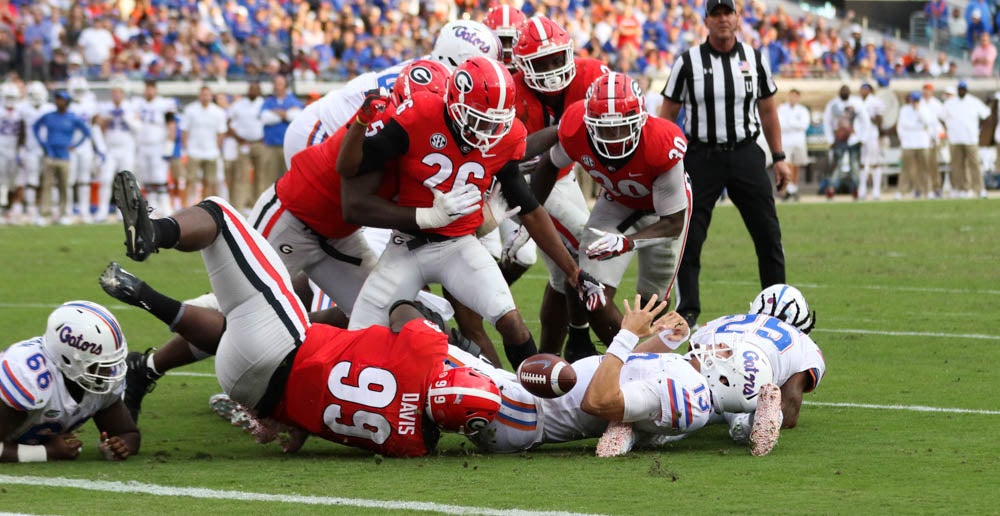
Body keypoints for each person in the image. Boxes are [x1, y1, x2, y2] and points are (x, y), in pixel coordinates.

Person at [103, 170, 502, 457]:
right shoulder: (413, 444)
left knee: (219, 214)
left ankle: (154, 241)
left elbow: (398, 310)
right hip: (258, 393)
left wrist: (433, 327)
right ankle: (145, 323)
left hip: (282, 350)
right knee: (265, 305)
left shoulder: (428, 352)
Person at [338, 56, 607, 369]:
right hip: (405, 247)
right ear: (453, 104)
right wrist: (359, 124)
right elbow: (353, 168)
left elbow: (531, 208)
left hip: (459, 245)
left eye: (497, 122)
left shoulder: (505, 138)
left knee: (511, 321)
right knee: (361, 335)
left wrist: (573, 273)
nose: (488, 132)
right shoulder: (420, 114)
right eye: (480, 120)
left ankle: (532, 401)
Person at [532, 72, 690, 351]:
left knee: (653, 304)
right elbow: (548, 164)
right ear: (589, 123)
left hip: (662, 212)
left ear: (640, 119)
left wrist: (628, 242)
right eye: (604, 128)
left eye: (621, 127)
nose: (614, 137)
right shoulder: (576, 127)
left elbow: (673, 223)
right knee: (592, 289)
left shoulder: (661, 143)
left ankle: (655, 366)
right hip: (616, 201)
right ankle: (628, 364)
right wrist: (528, 212)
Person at [658, 0, 792, 330]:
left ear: (737, 17)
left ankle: (776, 309)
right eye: (716, 14)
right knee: (689, 236)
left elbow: (769, 110)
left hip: (746, 152)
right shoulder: (688, 62)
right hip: (701, 155)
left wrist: (779, 157)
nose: (722, 20)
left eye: (727, 13)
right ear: (706, 20)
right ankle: (687, 308)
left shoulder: (754, 59)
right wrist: (663, 164)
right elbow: (667, 115)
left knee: (768, 234)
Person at [508, 15, 612, 359]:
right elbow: (519, 150)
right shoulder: (511, 89)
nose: (552, 69)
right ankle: (595, 343)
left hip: (562, 175)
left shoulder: (592, 75)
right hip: (517, 180)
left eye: (556, 59)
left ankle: (562, 349)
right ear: (523, 65)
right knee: (585, 242)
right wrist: (567, 124)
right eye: (541, 63)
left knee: (561, 270)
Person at [0, 300, 139, 462]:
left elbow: (129, 434)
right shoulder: (29, 377)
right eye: (100, 364)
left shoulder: (99, 379)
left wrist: (120, 446)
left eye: (110, 363)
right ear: (69, 358)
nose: (109, 372)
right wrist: (47, 452)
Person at [692, 283, 824, 447]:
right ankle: (745, 423)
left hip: (710, 369)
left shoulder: (721, 321)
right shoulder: (804, 343)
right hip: (751, 375)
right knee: (751, 403)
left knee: (692, 406)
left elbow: (694, 350)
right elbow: (791, 404)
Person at [32, 90, 91, 225]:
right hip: (50, 155)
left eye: (62, 99)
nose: (59, 102)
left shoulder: (72, 118)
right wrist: (42, 143)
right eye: (58, 99)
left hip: (64, 156)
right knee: (47, 185)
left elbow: (86, 132)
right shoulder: (49, 116)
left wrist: (75, 145)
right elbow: (35, 127)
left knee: (64, 186)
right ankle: (44, 214)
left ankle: (64, 212)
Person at [97, 78, 139, 223]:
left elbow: (137, 127)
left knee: (125, 181)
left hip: (126, 147)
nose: (116, 95)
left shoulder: (130, 107)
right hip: (110, 148)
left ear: (123, 93)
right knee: (106, 179)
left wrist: (125, 117)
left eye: (118, 92)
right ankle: (102, 210)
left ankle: (124, 211)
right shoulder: (105, 107)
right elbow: (99, 127)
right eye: (114, 92)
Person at [132, 79, 177, 215]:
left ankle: (166, 207)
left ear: (156, 90)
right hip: (143, 145)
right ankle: (152, 208)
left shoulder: (164, 104)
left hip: (158, 145)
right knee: (147, 178)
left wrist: (170, 143)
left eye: (151, 88)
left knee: (160, 178)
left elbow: (171, 124)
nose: (149, 91)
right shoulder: (139, 104)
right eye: (147, 88)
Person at [179, 85, 228, 207]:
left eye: (208, 95)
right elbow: (185, 130)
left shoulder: (218, 112)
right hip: (194, 150)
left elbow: (221, 132)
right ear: (199, 96)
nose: (205, 97)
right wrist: (185, 148)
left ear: (211, 97)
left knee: (209, 181)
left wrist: (216, 147)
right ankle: (186, 206)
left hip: (211, 151)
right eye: (203, 95)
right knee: (190, 180)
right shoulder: (190, 110)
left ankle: (205, 207)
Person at [942, 80, 991, 198]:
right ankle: (959, 189)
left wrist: (979, 128)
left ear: (966, 90)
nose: (961, 91)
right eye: (960, 89)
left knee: (974, 164)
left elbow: (986, 113)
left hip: (971, 139)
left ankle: (979, 189)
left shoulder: (973, 102)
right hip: (955, 139)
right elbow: (942, 117)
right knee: (957, 166)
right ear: (957, 90)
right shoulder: (950, 103)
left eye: (963, 89)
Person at [258, 75, 302, 198]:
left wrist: (279, 113)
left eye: (280, 84)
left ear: (285, 86)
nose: (277, 86)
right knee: (269, 175)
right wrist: (286, 114)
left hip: (287, 145)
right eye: (275, 84)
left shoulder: (293, 100)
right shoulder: (268, 101)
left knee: (287, 176)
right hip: (270, 145)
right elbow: (265, 118)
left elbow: (297, 117)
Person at [821, 85, 867, 197]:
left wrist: (862, 138)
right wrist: (830, 139)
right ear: (839, 92)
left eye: (846, 90)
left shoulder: (857, 103)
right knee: (836, 166)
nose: (844, 92)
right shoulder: (833, 104)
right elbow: (827, 121)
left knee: (855, 166)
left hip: (854, 140)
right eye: (843, 90)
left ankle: (856, 189)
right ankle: (832, 189)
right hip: (839, 140)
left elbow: (865, 120)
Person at [16, 82, 52, 224]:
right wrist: (20, 149)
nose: (36, 98)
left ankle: (48, 208)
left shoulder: (50, 108)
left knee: (49, 180)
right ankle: (31, 209)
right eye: (33, 95)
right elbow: (21, 130)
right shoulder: (23, 109)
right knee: (31, 180)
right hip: (31, 148)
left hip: (47, 148)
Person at [227, 81, 266, 211]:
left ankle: (257, 206)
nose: (253, 91)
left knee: (261, 175)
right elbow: (228, 121)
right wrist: (237, 136)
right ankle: (238, 206)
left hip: (260, 143)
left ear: (259, 91)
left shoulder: (264, 104)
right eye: (251, 89)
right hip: (242, 143)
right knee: (241, 175)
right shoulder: (239, 105)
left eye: (255, 89)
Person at [895, 92, 936, 199]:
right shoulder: (904, 110)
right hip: (908, 143)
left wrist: (919, 112)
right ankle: (902, 191)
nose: (915, 103)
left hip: (922, 143)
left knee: (925, 168)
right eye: (914, 100)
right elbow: (903, 125)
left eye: (917, 101)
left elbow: (928, 122)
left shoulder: (924, 109)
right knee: (906, 168)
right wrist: (903, 138)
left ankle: (928, 190)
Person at [776, 89, 810, 200]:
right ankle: (785, 189)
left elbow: (804, 125)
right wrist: (795, 124)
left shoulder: (802, 110)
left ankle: (793, 188)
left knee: (796, 165)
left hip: (799, 141)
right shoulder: (782, 108)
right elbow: (781, 124)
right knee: (787, 165)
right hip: (786, 141)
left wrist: (791, 123)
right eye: (791, 96)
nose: (793, 98)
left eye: (795, 96)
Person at [857, 83, 886, 200]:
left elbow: (880, 120)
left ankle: (876, 190)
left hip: (872, 134)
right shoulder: (856, 102)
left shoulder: (876, 102)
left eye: (866, 89)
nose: (863, 91)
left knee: (875, 162)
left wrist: (867, 116)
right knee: (862, 163)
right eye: (862, 89)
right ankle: (862, 189)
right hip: (859, 135)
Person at [0, 82, 23, 222]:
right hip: (1, 148)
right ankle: (2, 207)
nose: (10, 99)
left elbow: (24, 132)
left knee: (14, 181)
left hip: (14, 149)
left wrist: (21, 149)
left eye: (12, 97)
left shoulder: (20, 111)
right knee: (1, 181)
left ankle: (12, 208)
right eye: (8, 96)